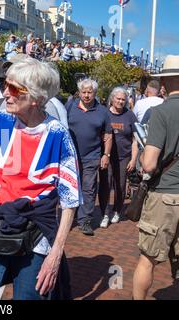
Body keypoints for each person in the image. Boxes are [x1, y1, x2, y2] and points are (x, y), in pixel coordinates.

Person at [0, 58, 82, 300]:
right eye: (6, 86)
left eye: (14, 89)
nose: (6, 94)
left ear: (36, 98)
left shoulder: (57, 133)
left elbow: (70, 199)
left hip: (37, 234)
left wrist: (55, 253)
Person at [132, 55, 179, 299]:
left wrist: (140, 158)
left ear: (166, 81)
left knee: (147, 259)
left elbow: (149, 163)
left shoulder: (161, 112)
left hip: (165, 196)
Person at [66, 79, 113, 236]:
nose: (86, 95)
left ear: (95, 93)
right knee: (70, 186)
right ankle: (69, 216)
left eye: (90, 92)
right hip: (70, 156)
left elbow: (108, 135)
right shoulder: (70, 107)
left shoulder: (102, 111)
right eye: (84, 92)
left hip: (92, 156)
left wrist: (106, 154)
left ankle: (84, 220)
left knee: (88, 188)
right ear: (79, 92)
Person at [98, 87, 139, 228]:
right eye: (118, 99)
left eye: (123, 99)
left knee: (120, 185)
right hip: (107, 156)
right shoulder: (104, 113)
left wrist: (134, 159)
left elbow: (135, 139)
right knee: (105, 185)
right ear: (112, 98)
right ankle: (104, 213)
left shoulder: (130, 116)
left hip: (124, 157)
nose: (121, 101)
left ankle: (116, 210)